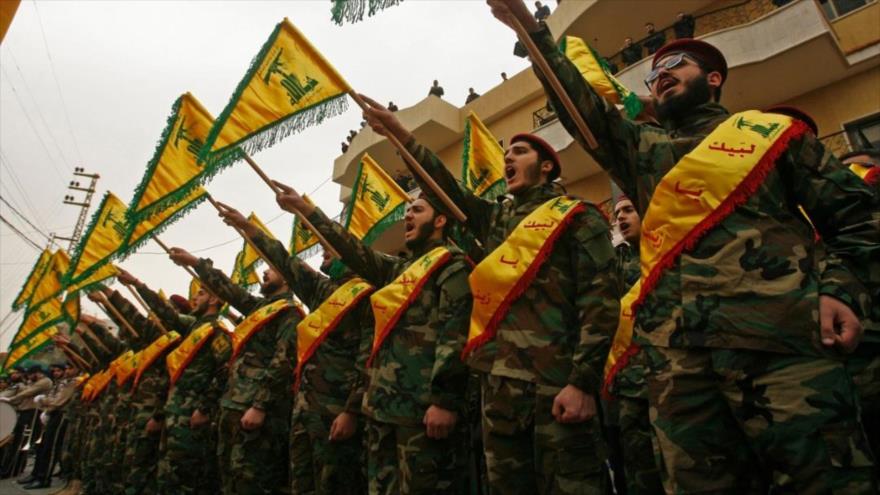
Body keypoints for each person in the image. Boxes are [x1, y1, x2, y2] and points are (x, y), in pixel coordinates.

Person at [487, 1, 879, 492]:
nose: (661, 75)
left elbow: (859, 219)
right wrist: (532, 32)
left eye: (676, 65)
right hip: (680, 370)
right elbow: (581, 108)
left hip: (785, 348)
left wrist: (839, 290)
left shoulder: (773, 134)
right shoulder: (645, 151)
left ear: (713, 78)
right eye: (654, 73)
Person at [359, 93, 620, 494]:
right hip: (498, 392)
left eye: (520, 151)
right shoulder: (495, 220)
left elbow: (599, 302)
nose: (508, 158)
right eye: (506, 153)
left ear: (547, 166)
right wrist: (399, 136)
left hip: (556, 385)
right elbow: (444, 186)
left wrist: (583, 382)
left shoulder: (577, 216)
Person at [273, 180, 474, 495]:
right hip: (382, 409)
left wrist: (444, 400)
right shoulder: (398, 270)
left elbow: (455, 334)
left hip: (421, 412)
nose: (408, 216)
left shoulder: (451, 265)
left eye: (417, 210)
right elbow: (355, 251)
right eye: (407, 211)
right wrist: (306, 210)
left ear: (440, 221)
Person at [218, 204, 372, 495]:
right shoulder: (323, 290)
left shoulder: (366, 295)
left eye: (333, 245)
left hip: (336, 412)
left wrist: (351, 411)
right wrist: (249, 228)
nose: (324, 248)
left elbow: (367, 359)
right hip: (304, 412)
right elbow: (286, 261)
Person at [168, 246, 303, 495]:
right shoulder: (259, 308)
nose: (263, 271)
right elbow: (230, 290)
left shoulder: (289, 314)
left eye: (271, 268)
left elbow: (282, 362)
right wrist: (197, 263)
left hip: (255, 413)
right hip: (233, 407)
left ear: (287, 276)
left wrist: (260, 405)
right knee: (228, 481)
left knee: (250, 482)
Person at [119, 269, 232, 495]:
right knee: (167, 475)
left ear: (214, 299)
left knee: (185, 479)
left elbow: (225, 372)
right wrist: (137, 284)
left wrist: (204, 409)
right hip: (174, 412)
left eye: (200, 294)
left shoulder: (217, 332)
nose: (194, 298)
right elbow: (165, 313)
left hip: (191, 416)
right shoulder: (193, 328)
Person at [2, 365, 52, 479]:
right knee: (17, 441)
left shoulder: (44, 382)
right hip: (25, 412)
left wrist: (11, 399)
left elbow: (27, 393)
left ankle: (12, 469)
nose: (28, 377)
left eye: (30, 374)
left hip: (33, 413)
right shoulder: (32, 382)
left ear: (37, 373)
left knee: (22, 442)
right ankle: (10, 468)